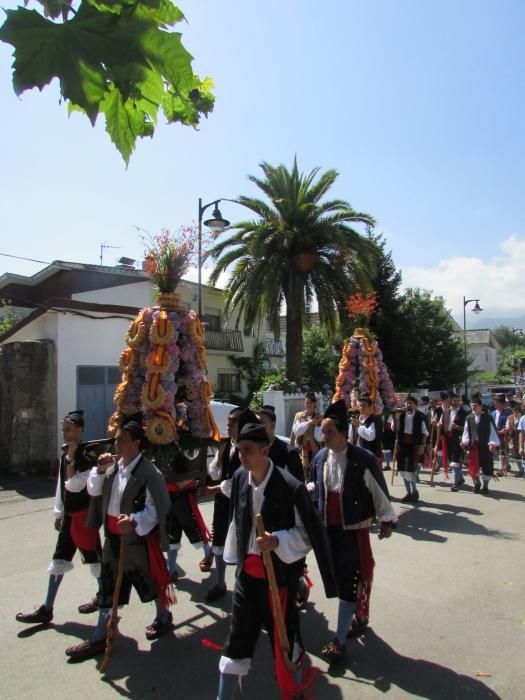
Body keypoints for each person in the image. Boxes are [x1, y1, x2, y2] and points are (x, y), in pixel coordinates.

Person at [216, 422, 337, 699]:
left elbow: (308, 535)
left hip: (279, 582)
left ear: (266, 450)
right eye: (239, 449)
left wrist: (278, 540)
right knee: (236, 643)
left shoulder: (290, 486)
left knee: (286, 644)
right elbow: (237, 519)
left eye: (248, 450)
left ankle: (293, 691)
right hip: (247, 578)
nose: (242, 455)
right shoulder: (238, 478)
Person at [64, 420, 174, 661]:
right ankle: (99, 635)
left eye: (121, 439)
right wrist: (100, 470)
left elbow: (156, 509)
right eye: (115, 439)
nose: (116, 443)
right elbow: (93, 491)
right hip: (113, 538)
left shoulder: (148, 473)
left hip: (136, 540)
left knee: (148, 583)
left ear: (136, 443)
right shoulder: (114, 468)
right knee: (107, 588)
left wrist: (134, 520)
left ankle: (164, 616)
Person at [309, 400, 397, 662]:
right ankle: (358, 614)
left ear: (343, 431)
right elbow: (314, 486)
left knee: (351, 578)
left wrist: (387, 520)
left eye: (328, 432)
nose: (323, 437)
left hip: (354, 528)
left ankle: (338, 639)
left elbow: (379, 492)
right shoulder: (319, 457)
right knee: (337, 577)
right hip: (328, 528)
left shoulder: (362, 459)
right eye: (322, 432)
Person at [16, 410, 102, 626]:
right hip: (69, 518)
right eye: (63, 429)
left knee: (96, 561)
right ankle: (47, 608)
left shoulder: (87, 456)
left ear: (80, 430)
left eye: (69, 429)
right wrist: (59, 512)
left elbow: (75, 485)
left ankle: (105, 599)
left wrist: (73, 458)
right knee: (59, 560)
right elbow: (61, 487)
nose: (65, 433)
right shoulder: (66, 454)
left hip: (84, 519)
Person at [205, 407, 252, 603]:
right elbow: (215, 472)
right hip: (223, 504)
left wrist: (213, 489)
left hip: (239, 505)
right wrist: (219, 456)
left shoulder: (246, 449)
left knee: (241, 544)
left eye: (231, 423)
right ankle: (220, 583)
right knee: (219, 540)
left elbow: (238, 482)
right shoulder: (227, 445)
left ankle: (243, 586)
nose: (227, 425)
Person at [461, 397, 499, 494]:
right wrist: (464, 442)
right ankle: (477, 484)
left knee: (487, 466)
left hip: (485, 447)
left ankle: (485, 486)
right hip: (474, 447)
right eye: (472, 405)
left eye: (475, 406)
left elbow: (493, 432)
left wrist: (492, 443)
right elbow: (466, 431)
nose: (473, 407)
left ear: (481, 406)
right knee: (474, 465)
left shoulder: (487, 418)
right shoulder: (469, 418)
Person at [395, 396, 428, 502]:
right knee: (402, 469)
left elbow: (424, 432)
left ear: (415, 405)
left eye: (410, 403)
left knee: (410, 470)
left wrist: (422, 445)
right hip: (402, 445)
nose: (408, 405)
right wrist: (396, 419)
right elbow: (394, 429)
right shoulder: (400, 415)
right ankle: (408, 492)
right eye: (406, 403)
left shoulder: (420, 416)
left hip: (413, 446)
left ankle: (414, 492)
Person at [290, 392, 323, 479]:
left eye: (311, 402)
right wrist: (291, 447)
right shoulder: (299, 415)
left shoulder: (319, 417)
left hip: (315, 449)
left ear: (315, 403)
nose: (308, 404)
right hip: (301, 449)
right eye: (307, 402)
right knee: (302, 474)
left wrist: (315, 425)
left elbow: (320, 436)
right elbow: (295, 432)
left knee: (314, 474)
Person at [440, 393, 468, 491]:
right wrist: (439, 429)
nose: (456, 402)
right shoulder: (446, 412)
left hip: (458, 439)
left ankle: (455, 483)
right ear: (450, 401)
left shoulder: (464, 413)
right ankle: (460, 478)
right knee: (451, 459)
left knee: (455, 460)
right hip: (448, 439)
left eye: (458, 400)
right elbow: (442, 424)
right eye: (454, 400)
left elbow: (467, 428)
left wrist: (458, 427)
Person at [355, 396, 383, 467]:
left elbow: (370, 436)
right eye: (360, 406)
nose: (361, 408)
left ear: (370, 407)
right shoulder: (356, 419)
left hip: (371, 455)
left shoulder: (375, 419)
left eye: (364, 406)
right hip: (358, 454)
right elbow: (351, 438)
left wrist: (359, 426)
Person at [491, 394, 510, 476]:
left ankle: (501, 469)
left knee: (502, 452)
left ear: (501, 403)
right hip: (494, 434)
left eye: (496, 402)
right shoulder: (493, 413)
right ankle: (506, 465)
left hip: (502, 435)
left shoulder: (506, 413)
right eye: (494, 402)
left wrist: (505, 429)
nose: (494, 403)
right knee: (493, 450)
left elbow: (508, 424)